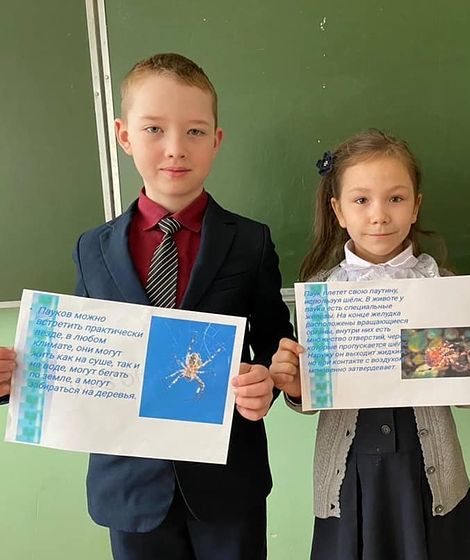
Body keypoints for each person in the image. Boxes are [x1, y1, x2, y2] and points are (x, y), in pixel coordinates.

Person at [1, 53, 293, 560]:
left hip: (226, 480)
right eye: (154, 129)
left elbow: (275, 341)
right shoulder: (92, 249)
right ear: (124, 135)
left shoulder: (250, 241)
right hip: (129, 486)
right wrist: (15, 379)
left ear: (217, 140)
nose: (175, 148)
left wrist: (266, 379)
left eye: (195, 131)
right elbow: (77, 354)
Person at [270, 129, 470, 560]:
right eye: (361, 200)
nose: (379, 215)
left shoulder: (442, 286)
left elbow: (461, 389)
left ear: (416, 205)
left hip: (429, 474)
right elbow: (312, 397)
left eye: (396, 199)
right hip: (349, 477)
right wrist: (295, 388)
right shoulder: (321, 295)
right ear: (338, 210)